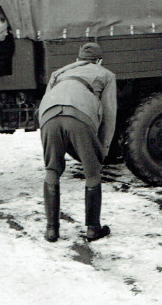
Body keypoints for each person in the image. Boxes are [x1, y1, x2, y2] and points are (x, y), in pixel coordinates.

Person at [38, 42, 117, 242]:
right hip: (80, 115)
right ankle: (93, 228)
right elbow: (109, 115)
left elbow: (47, 98)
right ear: (99, 60)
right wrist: (102, 149)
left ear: (77, 60)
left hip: (48, 114)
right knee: (92, 173)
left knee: (52, 170)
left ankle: (51, 230)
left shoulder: (58, 73)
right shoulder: (106, 74)